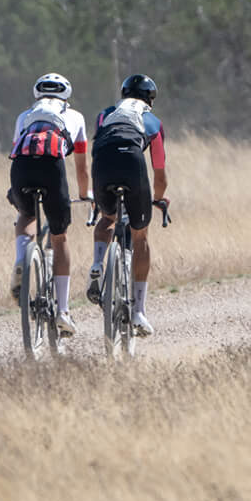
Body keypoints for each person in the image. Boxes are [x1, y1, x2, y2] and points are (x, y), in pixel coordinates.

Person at [5, 71, 91, 336]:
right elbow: (80, 165)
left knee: (26, 214)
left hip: (22, 169)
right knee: (59, 236)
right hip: (52, 168)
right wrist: (85, 193)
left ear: (37, 93)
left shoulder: (24, 116)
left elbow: (17, 151)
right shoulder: (75, 116)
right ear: (66, 94)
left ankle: (22, 257)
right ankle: (63, 310)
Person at [88, 73, 169, 335]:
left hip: (102, 161)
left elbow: (97, 143)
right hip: (132, 162)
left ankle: (98, 265)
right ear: (150, 100)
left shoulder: (106, 114)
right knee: (140, 236)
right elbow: (159, 173)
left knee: (107, 218)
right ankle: (138, 312)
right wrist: (158, 198)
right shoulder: (153, 121)